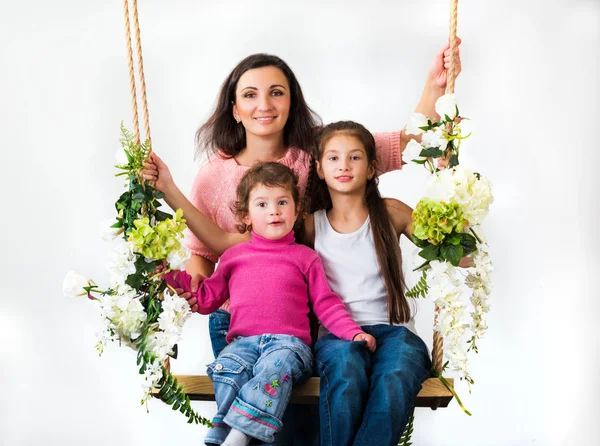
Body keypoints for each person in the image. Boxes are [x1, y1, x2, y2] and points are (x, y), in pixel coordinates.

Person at [162, 162, 376, 446]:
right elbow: (205, 299)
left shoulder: (304, 257)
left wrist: (353, 332)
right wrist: (166, 274)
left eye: (282, 202)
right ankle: (227, 435)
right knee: (227, 368)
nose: (273, 210)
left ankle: (239, 434)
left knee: (275, 367)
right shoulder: (233, 257)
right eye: (262, 204)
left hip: (289, 345)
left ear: (296, 211)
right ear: (246, 216)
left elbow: (326, 304)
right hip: (243, 343)